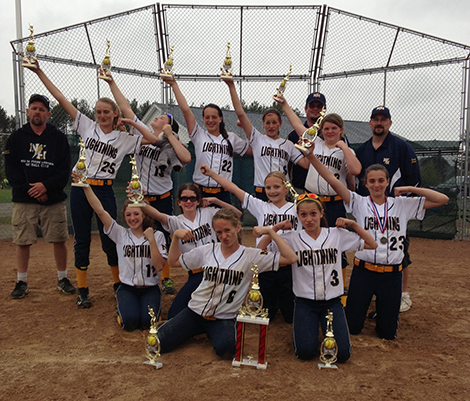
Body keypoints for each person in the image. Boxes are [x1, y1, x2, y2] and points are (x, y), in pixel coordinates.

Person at [27, 62, 158, 308]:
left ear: (115, 114)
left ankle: (119, 285)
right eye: (98, 111)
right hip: (81, 189)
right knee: (82, 240)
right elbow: (60, 97)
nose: (101, 115)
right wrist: (38, 72)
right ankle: (83, 290)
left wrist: (131, 121)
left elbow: (152, 139)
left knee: (110, 240)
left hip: (104, 190)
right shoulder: (87, 126)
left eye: (106, 112)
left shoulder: (125, 138)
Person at [305, 148, 448, 340]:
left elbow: (442, 199)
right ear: (365, 183)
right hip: (364, 272)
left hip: (392, 275)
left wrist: (409, 189)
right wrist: (311, 156)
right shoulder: (359, 202)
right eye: (372, 181)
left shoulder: (402, 204)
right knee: (353, 327)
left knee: (387, 333)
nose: (377, 184)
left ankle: (383, 313)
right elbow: (331, 179)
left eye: (381, 180)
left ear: (388, 182)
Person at [156, 208, 297, 357]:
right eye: (219, 232)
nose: (224, 236)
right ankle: (190, 329)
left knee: (227, 349)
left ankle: (212, 332)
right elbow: (173, 261)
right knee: (158, 342)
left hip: (223, 318)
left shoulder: (250, 255)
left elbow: (291, 258)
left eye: (227, 230)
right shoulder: (207, 250)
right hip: (194, 312)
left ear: (237, 227)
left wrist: (271, 231)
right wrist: (176, 238)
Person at [258, 193, 377, 361]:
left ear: (321, 213)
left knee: (342, 354)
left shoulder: (336, 234)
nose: (309, 219)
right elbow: (261, 250)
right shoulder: (292, 237)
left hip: (333, 302)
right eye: (303, 215)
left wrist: (353, 224)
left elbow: (372, 244)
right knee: (305, 352)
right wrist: (274, 229)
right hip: (305, 302)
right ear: (297, 217)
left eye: (313, 213)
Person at [106, 72, 191, 295]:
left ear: (169, 126)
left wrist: (170, 135)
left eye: (163, 118)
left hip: (161, 197)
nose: (159, 117)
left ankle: (166, 278)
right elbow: (125, 107)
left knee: (162, 235)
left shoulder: (172, 143)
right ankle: (132, 276)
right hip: (140, 198)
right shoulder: (139, 132)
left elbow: (186, 158)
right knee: (138, 237)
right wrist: (111, 82)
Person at [278, 96, 361, 288]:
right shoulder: (317, 143)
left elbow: (355, 170)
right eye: (326, 128)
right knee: (306, 242)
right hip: (311, 201)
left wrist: (342, 145)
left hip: (334, 203)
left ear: (341, 130)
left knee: (335, 245)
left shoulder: (346, 151)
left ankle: (337, 286)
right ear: (321, 130)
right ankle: (307, 282)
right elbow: (297, 123)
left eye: (334, 128)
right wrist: (283, 104)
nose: (330, 131)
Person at [200, 164, 299, 323]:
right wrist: (211, 174)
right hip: (266, 264)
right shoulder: (261, 206)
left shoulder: (296, 208)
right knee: (266, 314)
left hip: (290, 267)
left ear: (286, 188)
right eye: (268, 187)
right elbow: (233, 188)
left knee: (290, 316)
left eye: (276, 187)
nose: (272, 191)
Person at [130, 183, 242, 318]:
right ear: (179, 202)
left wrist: (215, 200)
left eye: (193, 198)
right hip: (196, 275)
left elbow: (237, 214)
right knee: (174, 314)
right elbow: (158, 215)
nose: (188, 201)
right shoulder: (176, 222)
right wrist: (139, 201)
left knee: (215, 309)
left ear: (198, 201)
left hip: (217, 271)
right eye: (184, 198)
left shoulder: (210, 212)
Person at [73, 172, 167, 330]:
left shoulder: (157, 236)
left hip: (150, 288)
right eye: (128, 214)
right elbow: (100, 211)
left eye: (136, 214)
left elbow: (159, 266)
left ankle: (141, 309)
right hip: (127, 288)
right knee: (129, 323)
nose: (132, 218)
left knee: (148, 323)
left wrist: (151, 240)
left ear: (144, 215)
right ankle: (123, 308)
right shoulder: (120, 233)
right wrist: (86, 186)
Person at [5, 94, 75, 299]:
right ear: (27, 112)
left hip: (52, 199)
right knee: (22, 241)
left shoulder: (58, 138)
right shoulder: (17, 137)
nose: (37, 112)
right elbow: (12, 171)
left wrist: (46, 187)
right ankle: (22, 281)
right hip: (24, 199)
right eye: (33, 108)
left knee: (59, 239)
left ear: (48, 114)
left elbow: (64, 170)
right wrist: (32, 190)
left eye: (41, 109)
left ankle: (62, 278)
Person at [355, 106, 421, 313]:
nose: (379, 123)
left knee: (400, 251)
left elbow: (414, 178)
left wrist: (404, 208)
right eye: (375, 119)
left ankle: (402, 294)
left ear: (390, 123)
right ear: (370, 123)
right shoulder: (363, 149)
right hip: (369, 210)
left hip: (394, 209)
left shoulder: (401, 147)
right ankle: (375, 290)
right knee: (369, 246)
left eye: (383, 119)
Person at [161, 76, 249, 204]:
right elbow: (185, 110)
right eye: (207, 117)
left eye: (214, 117)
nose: (210, 120)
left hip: (223, 193)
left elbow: (255, 148)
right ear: (202, 119)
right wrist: (174, 84)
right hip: (199, 192)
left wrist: (246, 128)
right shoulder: (199, 135)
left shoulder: (232, 138)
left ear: (221, 119)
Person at [222, 78, 311, 201]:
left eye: (274, 122)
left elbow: (306, 164)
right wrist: (231, 85)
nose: (271, 126)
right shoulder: (257, 139)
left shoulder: (288, 144)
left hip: (283, 192)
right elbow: (241, 113)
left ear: (280, 123)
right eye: (267, 123)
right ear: (263, 124)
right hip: (262, 191)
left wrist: (311, 149)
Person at [287, 92, 326, 194]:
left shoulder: (331, 134)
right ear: (306, 109)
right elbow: (288, 163)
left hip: (325, 189)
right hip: (300, 187)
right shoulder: (294, 135)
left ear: (324, 110)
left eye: (319, 106)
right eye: (312, 106)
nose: (315, 109)